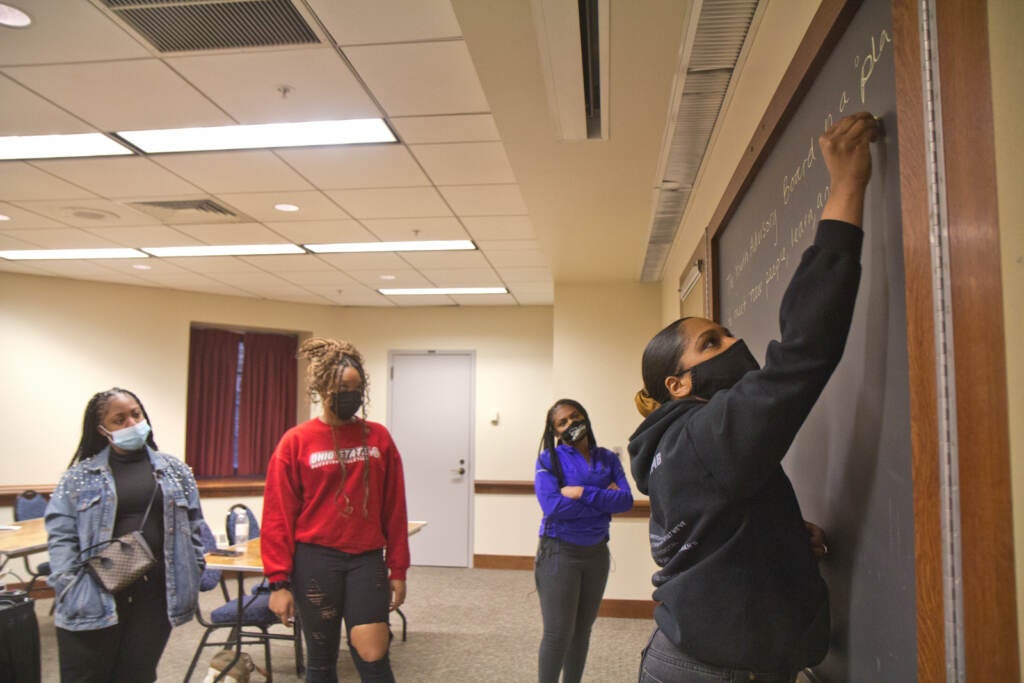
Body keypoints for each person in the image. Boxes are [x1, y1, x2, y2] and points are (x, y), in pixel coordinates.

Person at [628, 111, 880, 682]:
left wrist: (776, 530)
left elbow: (715, 522)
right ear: (678, 385)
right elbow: (804, 353)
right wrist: (846, 190)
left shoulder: (673, 445)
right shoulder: (702, 437)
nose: (736, 342)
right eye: (711, 343)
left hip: (697, 656)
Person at [262, 337, 409, 683]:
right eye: (343, 388)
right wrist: (278, 582)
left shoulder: (378, 438)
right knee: (322, 660)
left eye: (357, 389)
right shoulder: (296, 441)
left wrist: (398, 567)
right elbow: (277, 516)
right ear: (322, 387)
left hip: (366, 560)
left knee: (374, 655)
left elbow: (395, 508)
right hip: (315, 561)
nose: (352, 396)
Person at [45, 387, 205, 683]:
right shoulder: (79, 477)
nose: (132, 424)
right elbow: (61, 537)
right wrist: (69, 583)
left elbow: (195, 526)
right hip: (97, 590)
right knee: (90, 674)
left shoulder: (175, 471)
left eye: (136, 414)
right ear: (103, 430)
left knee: (138, 673)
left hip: (156, 592)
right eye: (119, 420)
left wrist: (195, 568)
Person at [534, 398, 634, 683]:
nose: (570, 424)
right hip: (559, 553)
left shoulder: (608, 458)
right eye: (562, 422)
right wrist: (604, 498)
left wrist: (581, 492)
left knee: (582, 631)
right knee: (557, 633)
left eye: (574, 417)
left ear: (585, 417)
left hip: (597, 554)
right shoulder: (548, 460)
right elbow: (553, 506)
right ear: (555, 432)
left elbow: (625, 500)